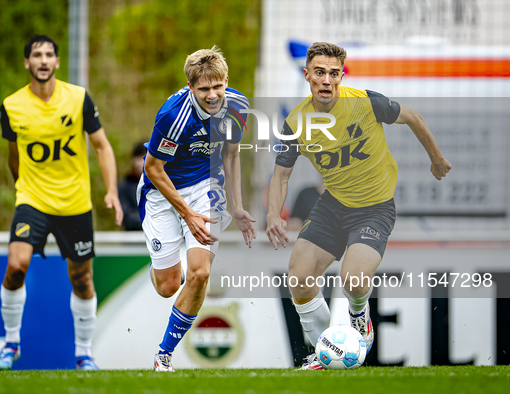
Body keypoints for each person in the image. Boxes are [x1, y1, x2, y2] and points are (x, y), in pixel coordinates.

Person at [265, 42, 452, 370]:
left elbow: (413, 116)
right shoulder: (296, 122)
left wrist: (436, 159)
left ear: (341, 77)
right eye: (319, 72)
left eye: (333, 73)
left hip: (375, 208)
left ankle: (358, 314)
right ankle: (326, 353)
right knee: (299, 277)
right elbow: (282, 175)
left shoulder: (366, 102)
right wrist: (272, 215)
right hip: (332, 206)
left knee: (352, 280)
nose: (326, 80)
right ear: (307, 75)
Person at [0, 35, 123, 371]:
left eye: (50, 54)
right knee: (16, 264)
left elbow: (102, 147)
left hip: (74, 203)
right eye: (37, 55)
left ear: (58, 62)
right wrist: (23, 188)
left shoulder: (78, 99)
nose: (44, 60)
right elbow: (13, 155)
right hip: (32, 200)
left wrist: (111, 191)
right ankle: (10, 343)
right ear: (27, 63)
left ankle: (84, 353)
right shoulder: (11, 105)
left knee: (82, 279)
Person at [137, 46, 257, 372]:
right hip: (162, 190)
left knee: (201, 272)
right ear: (190, 87)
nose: (213, 95)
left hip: (207, 187)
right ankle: (169, 272)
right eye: (204, 89)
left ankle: (164, 355)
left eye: (218, 86)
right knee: (167, 287)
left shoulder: (238, 105)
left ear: (226, 81)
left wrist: (238, 206)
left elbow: (231, 155)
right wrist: (187, 215)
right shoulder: (173, 116)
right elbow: (153, 169)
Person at [118, 142, 147, 231]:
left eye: (142, 159)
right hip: (133, 239)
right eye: (137, 159)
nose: (139, 164)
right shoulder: (124, 186)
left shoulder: (160, 185)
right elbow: (126, 216)